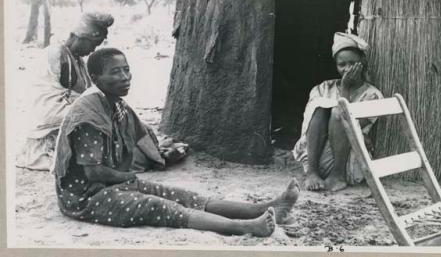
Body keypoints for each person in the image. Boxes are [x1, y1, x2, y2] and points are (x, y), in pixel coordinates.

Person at [53, 48, 299, 236]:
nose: (125, 77)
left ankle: (263, 208)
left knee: (181, 195)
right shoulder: (89, 116)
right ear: (95, 77)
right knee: (159, 206)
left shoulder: (115, 105)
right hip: (85, 197)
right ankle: (242, 227)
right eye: (115, 72)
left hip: (110, 183)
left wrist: (140, 170)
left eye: (126, 69)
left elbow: (138, 139)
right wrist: (127, 179)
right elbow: (94, 172)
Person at [17, 13, 115, 171]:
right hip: (48, 119)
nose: (93, 50)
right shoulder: (56, 54)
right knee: (99, 118)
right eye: (94, 44)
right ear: (82, 36)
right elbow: (46, 107)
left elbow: (86, 93)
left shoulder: (76, 59)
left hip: (64, 114)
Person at [293, 32, 383, 192]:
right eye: (342, 64)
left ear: (362, 62)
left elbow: (350, 127)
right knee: (320, 108)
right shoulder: (323, 88)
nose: (347, 69)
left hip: (349, 159)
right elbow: (311, 123)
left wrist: (346, 89)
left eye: (352, 63)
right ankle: (312, 173)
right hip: (316, 153)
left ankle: (338, 175)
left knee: (338, 113)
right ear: (335, 65)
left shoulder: (373, 95)